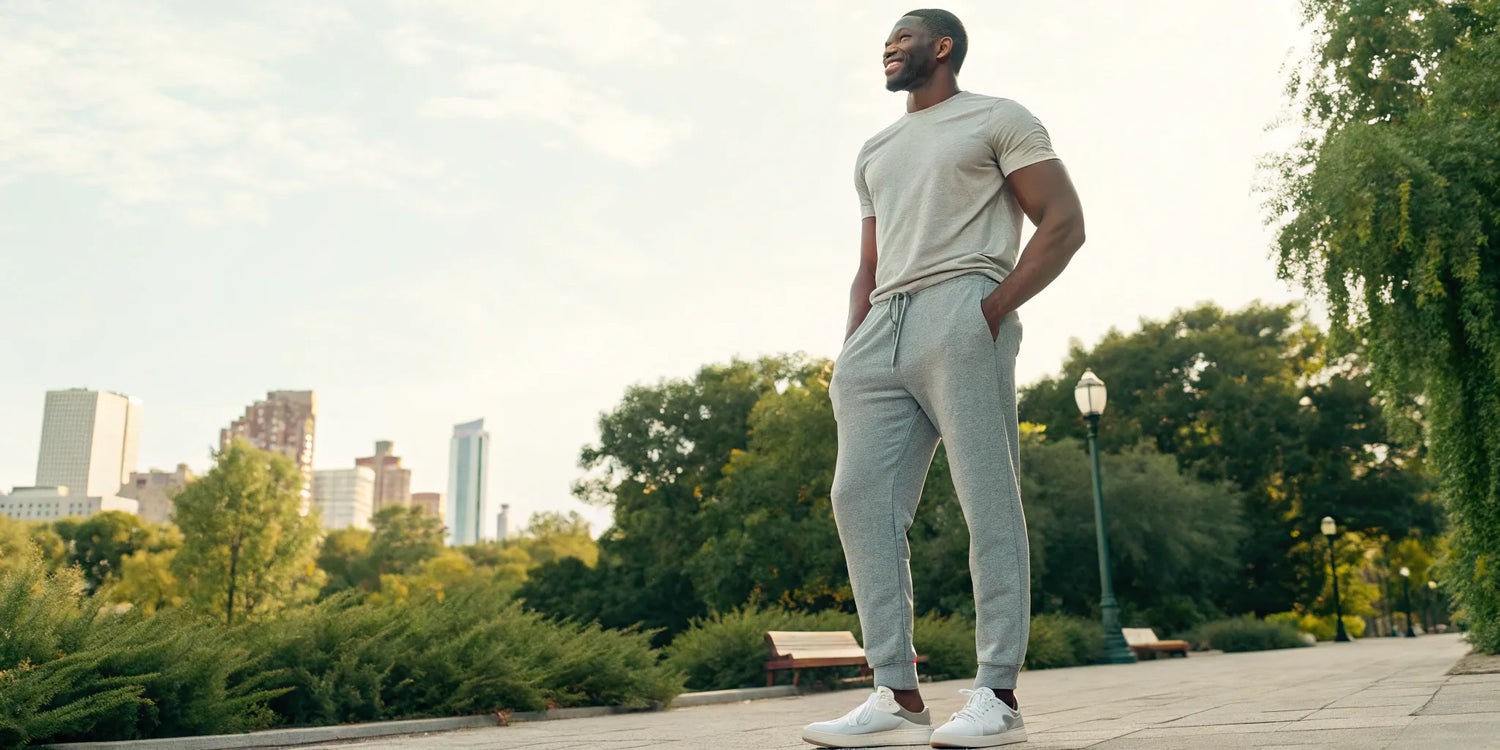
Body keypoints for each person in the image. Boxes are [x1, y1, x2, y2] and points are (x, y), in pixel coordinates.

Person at [800, 9, 1086, 748]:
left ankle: (998, 695)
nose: (889, 49)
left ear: (942, 46)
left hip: (962, 310)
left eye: (902, 38)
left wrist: (990, 310)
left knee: (987, 500)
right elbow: (868, 262)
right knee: (857, 498)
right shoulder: (876, 149)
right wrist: (850, 348)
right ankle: (896, 693)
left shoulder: (997, 119)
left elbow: (1063, 222)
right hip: (880, 330)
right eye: (886, 42)